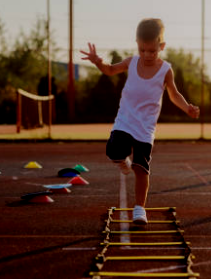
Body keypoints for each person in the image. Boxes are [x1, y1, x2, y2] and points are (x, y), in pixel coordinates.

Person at [80, 18, 199, 224]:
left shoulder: (165, 70)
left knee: (141, 168)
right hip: (125, 121)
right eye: (143, 50)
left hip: (145, 128)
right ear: (137, 44)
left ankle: (139, 209)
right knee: (113, 151)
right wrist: (98, 61)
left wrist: (187, 107)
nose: (147, 55)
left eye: (152, 51)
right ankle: (121, 161)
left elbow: (174, 94)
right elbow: (109, 70)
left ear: (161, 46)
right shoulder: (131, 62)